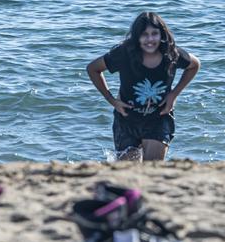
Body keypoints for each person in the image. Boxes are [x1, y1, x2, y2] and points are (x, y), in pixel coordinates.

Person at [86, 11, 201, 161]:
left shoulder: (171, 54)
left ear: (162, 35)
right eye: (144, 34)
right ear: (136, 36)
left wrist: (173, 94)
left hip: (158, 118)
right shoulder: (123, 53)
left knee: (151, 169)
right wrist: (112, 100)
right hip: (127, 119)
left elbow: (194, 65)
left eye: (154, 33)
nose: (150, 39)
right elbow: (93, 69)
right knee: (127, 172)